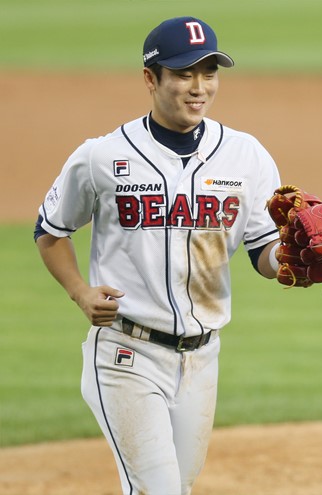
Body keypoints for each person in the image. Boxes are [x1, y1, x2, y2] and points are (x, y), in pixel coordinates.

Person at [35, 16, 284, 494]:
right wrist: (80, 292)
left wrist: (294, 261)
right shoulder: (102, 156)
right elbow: (50, 230)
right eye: (184, 74)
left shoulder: (246, 155)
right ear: (151, 78)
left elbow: (263, 253)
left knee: (176, 488)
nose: (199, 87)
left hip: (202, 358)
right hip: (126, 353)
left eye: (209, 72)